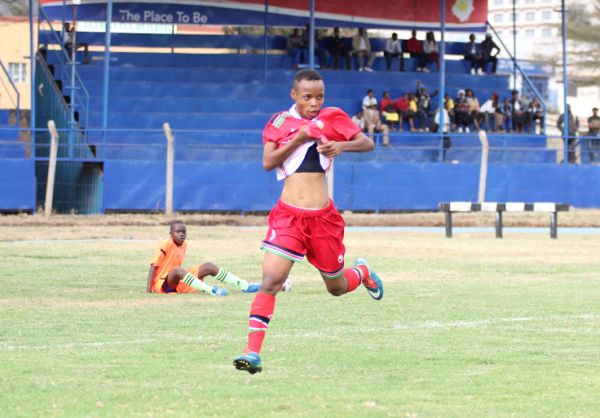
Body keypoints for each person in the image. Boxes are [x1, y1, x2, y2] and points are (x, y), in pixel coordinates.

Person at [233, 69, 384, 374]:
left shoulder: (334, 117)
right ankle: (252, 353)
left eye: (319, 97)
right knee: (271, 281)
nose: (314, 103)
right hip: (288, 217)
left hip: (324, 221)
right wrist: (300, 138)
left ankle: (363, 271)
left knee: (336, 287)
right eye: (307, 97)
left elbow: (367, 143)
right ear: (294, 96)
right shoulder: (280, 122)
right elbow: (268, 162)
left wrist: (343, 146)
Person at [146, 220, 259, 295]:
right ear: (171, 234)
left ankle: (244, 286)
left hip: (177, 280)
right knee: (178, 270)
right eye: (178, 232)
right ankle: (212, 291)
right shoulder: (165, 244)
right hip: (162, 284)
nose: (181, 234)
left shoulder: (184, 244)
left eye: (183, 232)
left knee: (208, 266)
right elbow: (153, 266)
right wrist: (148, 290)